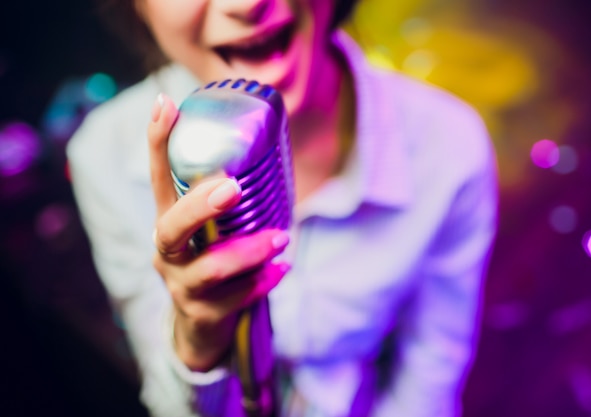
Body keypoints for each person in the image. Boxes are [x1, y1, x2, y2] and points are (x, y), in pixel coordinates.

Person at [67, 0, 498, 416]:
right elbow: (170, 404)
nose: (248, 3)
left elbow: (429, 375)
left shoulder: (449, 148)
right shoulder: (103, 154)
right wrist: (196, 346)